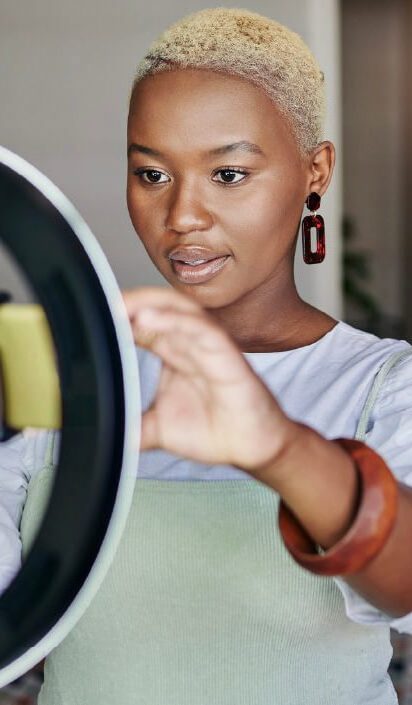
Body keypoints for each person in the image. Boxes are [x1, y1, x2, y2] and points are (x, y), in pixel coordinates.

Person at [2, 7, 412, 704]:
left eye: (227, 174)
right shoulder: (78, 380)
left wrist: (278, 447)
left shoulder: (381, 383)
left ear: (315, 170)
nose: (183, 215)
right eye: (152, 174)